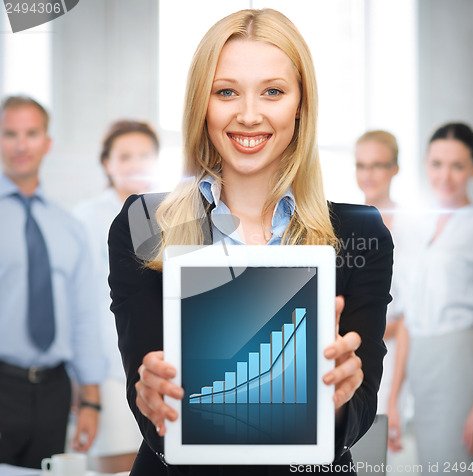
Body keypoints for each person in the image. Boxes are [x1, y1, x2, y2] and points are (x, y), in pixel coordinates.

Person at [108, 9, 393, 475]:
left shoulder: (360, 234)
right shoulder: (144, 223)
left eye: (273, 92)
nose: (248, 115)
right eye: (226, 92)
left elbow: (358, 410)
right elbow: (148, 403)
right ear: (203, 102)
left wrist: (340, 400)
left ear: (300, 104)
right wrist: (150, 394)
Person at [0, 95, 105, 468]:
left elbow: (83, 317)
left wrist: (91, 400)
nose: (21, 144)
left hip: (54, 392)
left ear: (47, 143)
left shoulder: (69, 228)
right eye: (10, 133)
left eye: (31, 133)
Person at [389, 123, 473, 474]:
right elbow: (406, 318)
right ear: (425, 164)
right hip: (421, 363)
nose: (445, 175)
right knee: (431, 464)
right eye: (437, 163)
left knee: (459, 465)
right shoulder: (413, 228)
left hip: (460, 362)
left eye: (458, 165)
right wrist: (394, 398)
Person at [73, 120, 159, 473]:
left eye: (144, 155)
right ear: (107, 163)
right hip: (108, 369)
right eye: (125, 156)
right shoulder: (85, 218)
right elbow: (82, 304)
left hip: (158, 368)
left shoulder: (169, 213)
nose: (136, 164)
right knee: (115, 464)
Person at [354, 130, 410, 451]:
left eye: (377, 165)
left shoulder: (408, 229)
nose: (368, 175)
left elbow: (407, 320)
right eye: (361, 165)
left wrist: (394, 399)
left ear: (395, 168)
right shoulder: (346, 223)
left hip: (391, 361)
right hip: (348, 356)